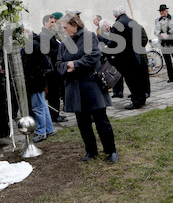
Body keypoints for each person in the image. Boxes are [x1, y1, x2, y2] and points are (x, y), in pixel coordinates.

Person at [56, 13, 118, 163]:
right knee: (83, 123)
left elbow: (93, 56)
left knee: (101, 120)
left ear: (74, 26)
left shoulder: (89, 36)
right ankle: (91, 151)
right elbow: (58, 64)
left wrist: (74, 64)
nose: (63, 30)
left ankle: (111, 151)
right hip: (74, 89)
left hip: (91, 86)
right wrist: (67, 66)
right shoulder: (65, 43)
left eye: (65, 27)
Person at [109, 6, 147, 109]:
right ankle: (142, 99)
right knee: (139, 79)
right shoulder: (133, 22)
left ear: (115, 15)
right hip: (137, 55)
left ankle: (136, 101)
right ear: (124, 12)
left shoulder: (117, 24)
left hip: (126, 58)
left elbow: (112, 42)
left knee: (131, 81)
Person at [23, 28, 54, 143]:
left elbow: (29, 64)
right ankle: (49, 129)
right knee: (43, 106)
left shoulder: (32, 44)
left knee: (38, 107)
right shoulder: (35, 42)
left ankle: (41, 132)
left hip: (34, 80)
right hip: (38, 79)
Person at [39, 14, 67, 123]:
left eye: (54, 22)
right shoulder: (44, 35)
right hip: (51, 69)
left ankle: (56, 114)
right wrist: (60, 50)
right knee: (53, 94)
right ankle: (54, 116)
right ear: (46, 23)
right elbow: (46, 52)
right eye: (51, 22)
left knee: (56, 93)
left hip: (55, 68)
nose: (54, 24)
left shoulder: (50, 34)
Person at [153, 4, 173, 82]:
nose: (161, 12)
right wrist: (161, 34)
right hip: (163, 43)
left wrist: (168, 33)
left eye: (163, 11)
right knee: (167, 61)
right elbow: (155, 30)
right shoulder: (157, 20)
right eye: (160, 11)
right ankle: (171, 78)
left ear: (167, 11)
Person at [97, 20, 124, 98]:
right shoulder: (100, 36)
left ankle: (120, 92)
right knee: (111, 74)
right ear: (102, 28)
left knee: (119, 74)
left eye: (108, 25)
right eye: (105, 26)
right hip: (107, 57)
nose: (107, 27)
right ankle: (115, 91)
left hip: (116, 55)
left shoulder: (114, 32)